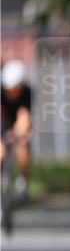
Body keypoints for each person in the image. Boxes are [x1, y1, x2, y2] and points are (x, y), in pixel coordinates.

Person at [1, 61, 32, 198]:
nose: (12, 93)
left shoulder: (27, 92)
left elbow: (24, 115)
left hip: (17, 120)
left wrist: (20, 133)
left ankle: (23, 181)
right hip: (3, 120)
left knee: (23, 146)